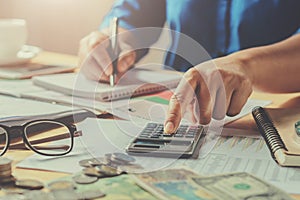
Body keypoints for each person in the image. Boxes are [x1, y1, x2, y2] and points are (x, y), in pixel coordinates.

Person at [78, 0, 300, 133]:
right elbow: (136, 11)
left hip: (276, 114)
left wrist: (246, 66)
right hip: (175, 105)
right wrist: (114, 41)